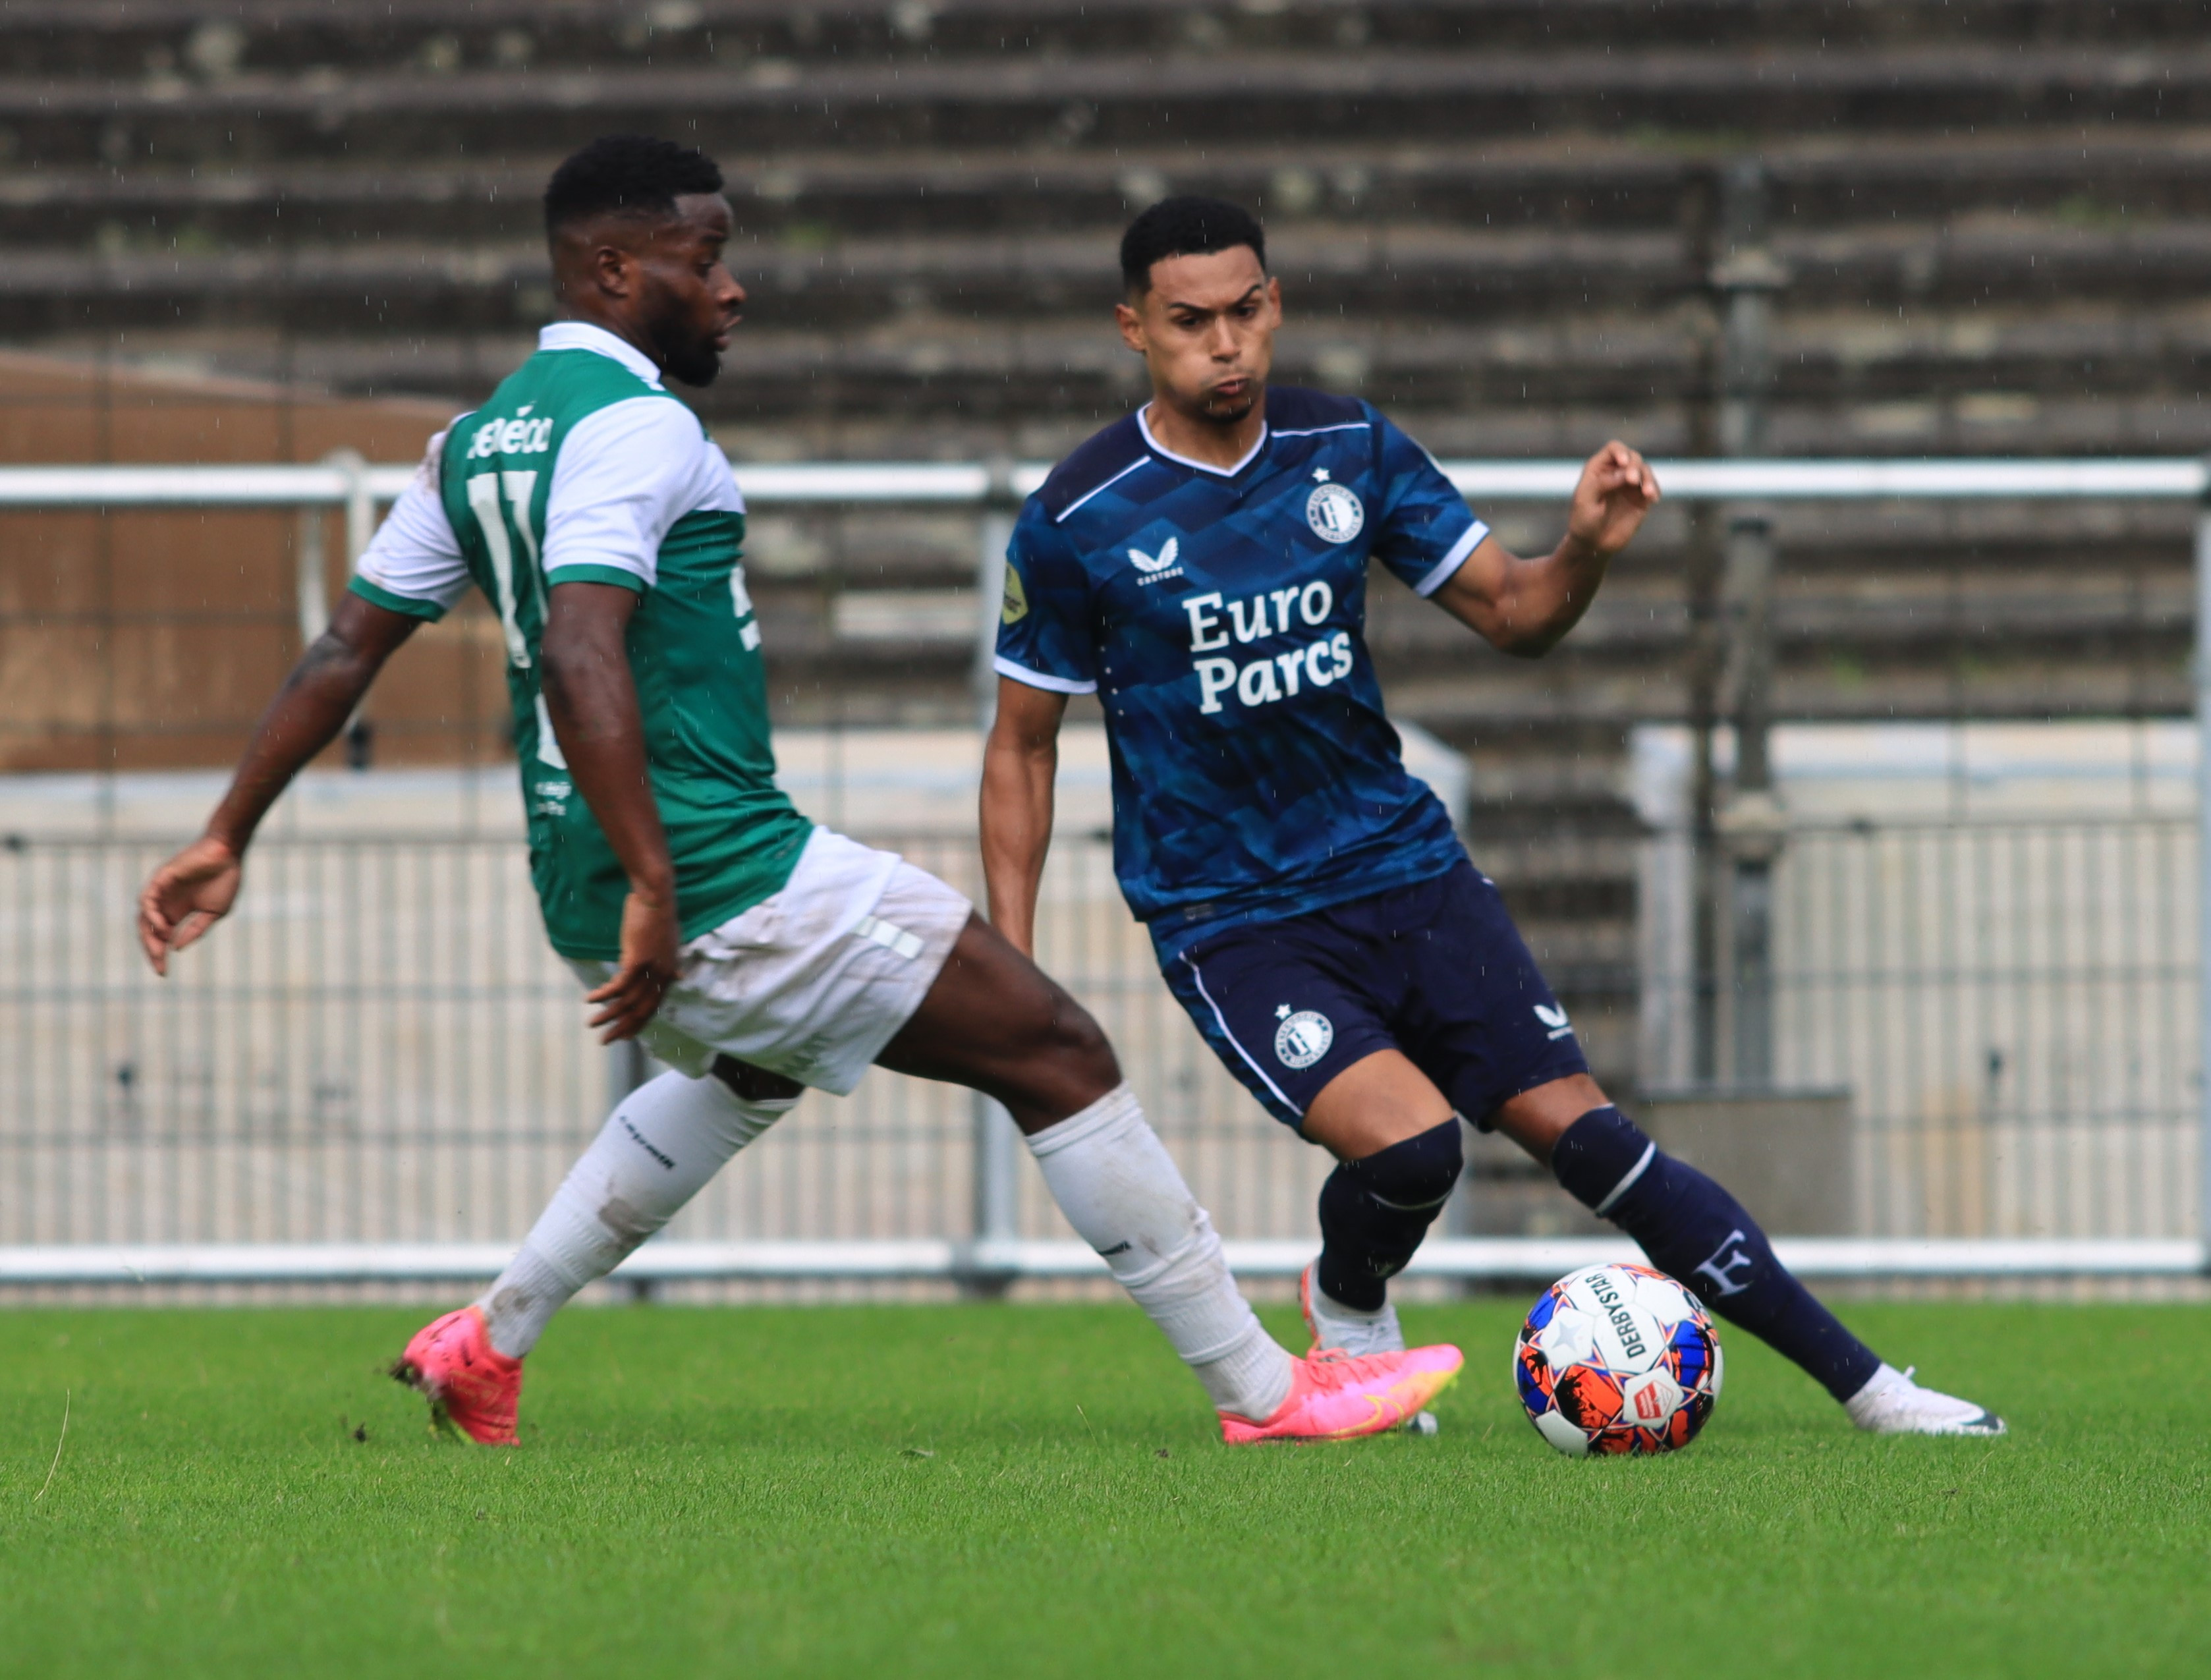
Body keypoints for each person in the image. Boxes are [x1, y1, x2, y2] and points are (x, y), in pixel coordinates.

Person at [135, 141, 1461, 1448]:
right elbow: (585, 650)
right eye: (703, 259)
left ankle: (490, 1340)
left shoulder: (478, 441)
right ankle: (1267, 1393)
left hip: (582, 873)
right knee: (1056, 1050)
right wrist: (659, 880)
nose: (731, 289)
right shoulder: (638, 429)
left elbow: (344, 647)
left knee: (753, 1069)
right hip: (708, 866)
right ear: (614, 271)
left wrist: (225, 834)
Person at [979, 195, 2003, 1438]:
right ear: (1134, 328)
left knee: (1601, 1146)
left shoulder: (1349, 445)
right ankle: (1350, 1300)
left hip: (1407, 870)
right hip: (1231, 913)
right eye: (1191, 322)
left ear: (1277, 302)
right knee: (1415, 1152)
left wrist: (1584, 550)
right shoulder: (1080, 516)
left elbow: (1516, 614)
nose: (1227, 344)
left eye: (1246, 310)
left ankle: (1880, 1394)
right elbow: (1021, 747)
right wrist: (1012, 964)